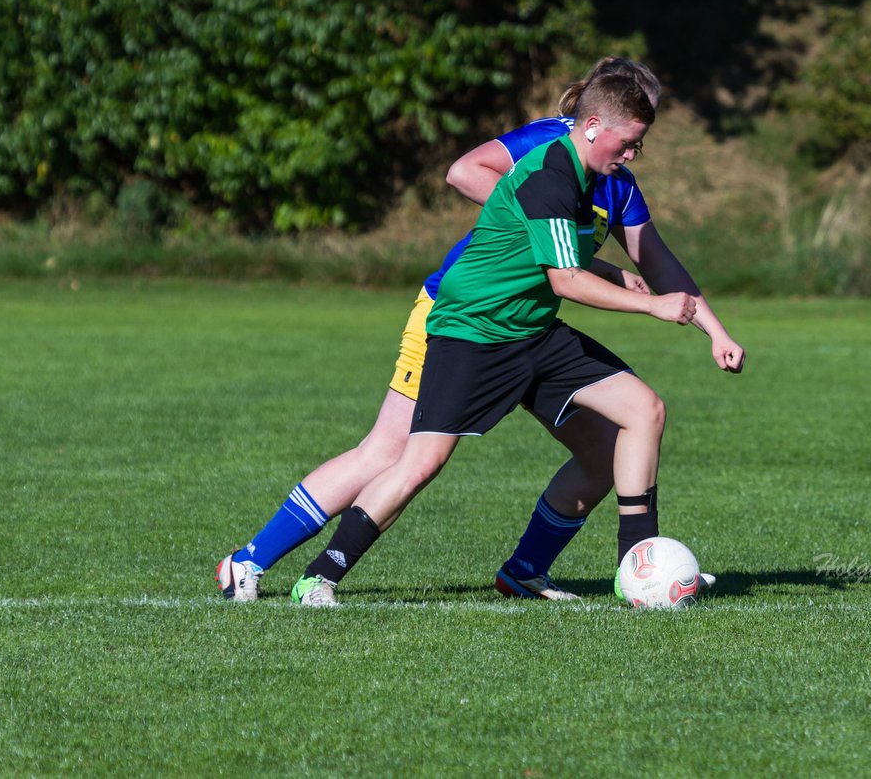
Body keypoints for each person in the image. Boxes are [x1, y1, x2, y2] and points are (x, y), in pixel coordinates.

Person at [215, 58, 744, 605]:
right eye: (634, 133)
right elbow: (472, 177)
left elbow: (651, 265)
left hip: (532, 324)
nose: (638, 149)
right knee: (398, 454)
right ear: (599, 115)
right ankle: (271, 566)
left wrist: (714, 330)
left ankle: (623, 569)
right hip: (466, 318)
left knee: (622, 431)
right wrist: (558, 247)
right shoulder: (550, 156)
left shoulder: (615, 180)